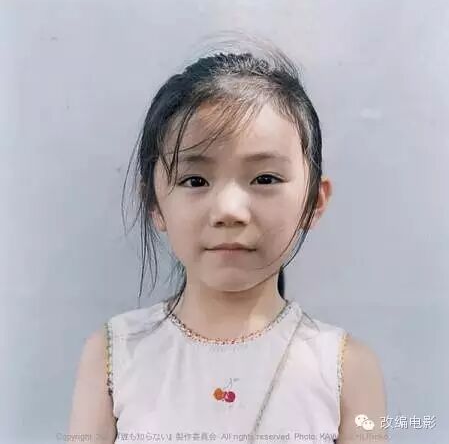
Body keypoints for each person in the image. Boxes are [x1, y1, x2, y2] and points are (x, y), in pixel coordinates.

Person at [68, 40, 388, 444]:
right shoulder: (113, 355)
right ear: (154, 203)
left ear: (314, 201)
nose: (229, 210)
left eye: (265, 179)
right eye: (195, 180)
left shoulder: (346, 368)